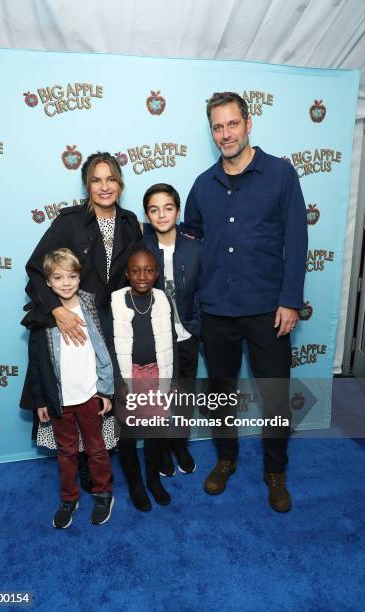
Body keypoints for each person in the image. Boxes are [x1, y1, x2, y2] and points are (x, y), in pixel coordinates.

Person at [181, 92, 308, 512]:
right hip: (216, 311)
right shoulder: (202, 185)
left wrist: (290, 300)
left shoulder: (281, 174)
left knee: (274, 394)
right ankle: (225, 459)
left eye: (232, 124)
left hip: (268, 310)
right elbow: (193, 245)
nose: (225, 134)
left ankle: (275, 470)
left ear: (248, 124)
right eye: (217, 127)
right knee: (221, 394)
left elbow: (296, 240)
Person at [23, 152, 142, 491]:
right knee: (75, 392)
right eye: (96, 179)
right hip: (73, 323)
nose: (105, 187)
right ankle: (85, 469)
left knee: (102, 396)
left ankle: (103, 459)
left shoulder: (131, 222)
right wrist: (55, 310)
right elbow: (35, 268)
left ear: (120, 183)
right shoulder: (69, 221)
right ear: (87, 185)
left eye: (111, 179)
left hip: (111, 325)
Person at [20, 248, 115, 528]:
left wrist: (106, 390)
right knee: (67, 453)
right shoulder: (43, 315)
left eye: (72, 276)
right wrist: (40, 401)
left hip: (89, 396)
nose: (66, 282)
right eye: (58, 277)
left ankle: (103, 493)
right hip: (59, 400)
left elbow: (103, 351)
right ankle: (69, 499)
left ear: (79, 277)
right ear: (47, 282)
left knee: (96, 450)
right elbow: (36, 363)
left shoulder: (90, 305)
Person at [111, 246, 179, 511]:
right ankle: (135, 484)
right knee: (127, 436)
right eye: (136, 270)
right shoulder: (115, 301)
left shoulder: (163, 299)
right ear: (127, 274)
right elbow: (107, 345)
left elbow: (173, 341)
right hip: (129, 378)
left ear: (157, 273)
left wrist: (172, 380)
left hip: (157, 375)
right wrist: (118, 383)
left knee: (156, 433)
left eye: (149, 270)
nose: (142, 276)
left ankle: (153, 479)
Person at [143, 183, 202, 476]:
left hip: (187, 335)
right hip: (156, 340)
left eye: (168, 208)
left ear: (178, 212)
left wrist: (197, 327)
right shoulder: (141, 247)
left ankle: (180, 443)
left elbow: (204, 289)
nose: (161, 214)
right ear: (147, 215)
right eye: (154, 209)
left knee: (184, 394)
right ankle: (162, 446)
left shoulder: (194, 246)